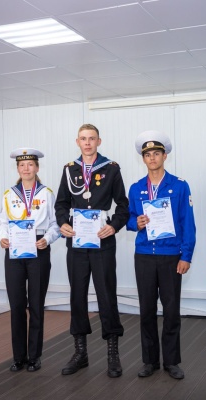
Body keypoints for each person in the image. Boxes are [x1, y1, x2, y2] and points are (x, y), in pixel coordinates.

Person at [55, 123, 129, 378]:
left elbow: (123, 205)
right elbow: (61, 204)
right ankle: (80, 353)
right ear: (78, 142)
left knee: (107, 295)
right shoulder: (69, 169)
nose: (87, 143)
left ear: (99, 141)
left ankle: (113, 354)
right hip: (77, 243)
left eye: (92, 138)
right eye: (83, 139)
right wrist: (63, 223)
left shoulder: (111, 169)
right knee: (77, 296)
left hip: (102, 241)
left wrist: (114, 226)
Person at [126, 130, 196, 380]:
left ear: (165, 156)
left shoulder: (179, 185)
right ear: (143, 159)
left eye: (156, 153)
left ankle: (172, 361)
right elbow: (129, 219)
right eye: (148, 155)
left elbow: (188, 223)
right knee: (146, 310)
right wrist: (136, 223)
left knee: (171, 310)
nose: (152, 158)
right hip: (144, 255)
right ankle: (150, 361)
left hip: (170, 256)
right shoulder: (136, 188)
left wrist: (186, 256)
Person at [0, 148, 60, 373]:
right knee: (16, 305)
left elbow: (55, 224)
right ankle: (18, 357)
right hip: (14, 251)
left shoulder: (46, 193)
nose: (26, 169)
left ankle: (34, 356)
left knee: (36, 304)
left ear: (37, 167)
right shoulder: (9, 194)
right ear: (17, 169)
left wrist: (47, 239)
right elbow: (3, 222)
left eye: (30, 165)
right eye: (22, 165)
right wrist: (2, 238)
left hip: (38, 249)